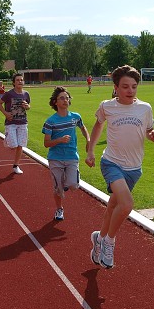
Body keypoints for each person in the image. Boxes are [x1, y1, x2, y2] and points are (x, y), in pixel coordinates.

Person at [85, 65, 154, 269]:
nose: (130, 90)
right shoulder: (107, 106)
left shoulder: (145, 108)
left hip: (134, 168)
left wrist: (153, 135)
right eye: (125, 86)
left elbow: (149, 130)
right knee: (126, 205)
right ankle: (109, 242)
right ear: (116, 87)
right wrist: (91, 150)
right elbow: (98, 125)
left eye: (134, 86)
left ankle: (99, 238)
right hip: (111, 163)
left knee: (113, 206)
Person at [42, 87, 90, 221]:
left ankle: (68, 180)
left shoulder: (75, 117)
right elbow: (46, 143)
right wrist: (60, 140)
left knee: (73, 185)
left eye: (67, 98)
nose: (65, 100)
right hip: (55, 158)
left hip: (71, 156)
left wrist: (88, 139)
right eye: (62, 98)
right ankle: (59, 209)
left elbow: (83, 127)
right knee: (58, 189)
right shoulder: (50, 121)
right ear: (55, 102)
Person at [0, 73, 31, 175]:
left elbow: (29, 106)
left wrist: (27, 106)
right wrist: (5, 113)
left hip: (23, 122)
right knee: (13, 145)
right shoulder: (9, 94)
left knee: (20, 145)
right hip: (11, 122)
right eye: (17, 80)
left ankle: (16, 165)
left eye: (21, 80)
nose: (20, 81)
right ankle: (7, 138)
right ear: (13, 83)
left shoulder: (26, 94)